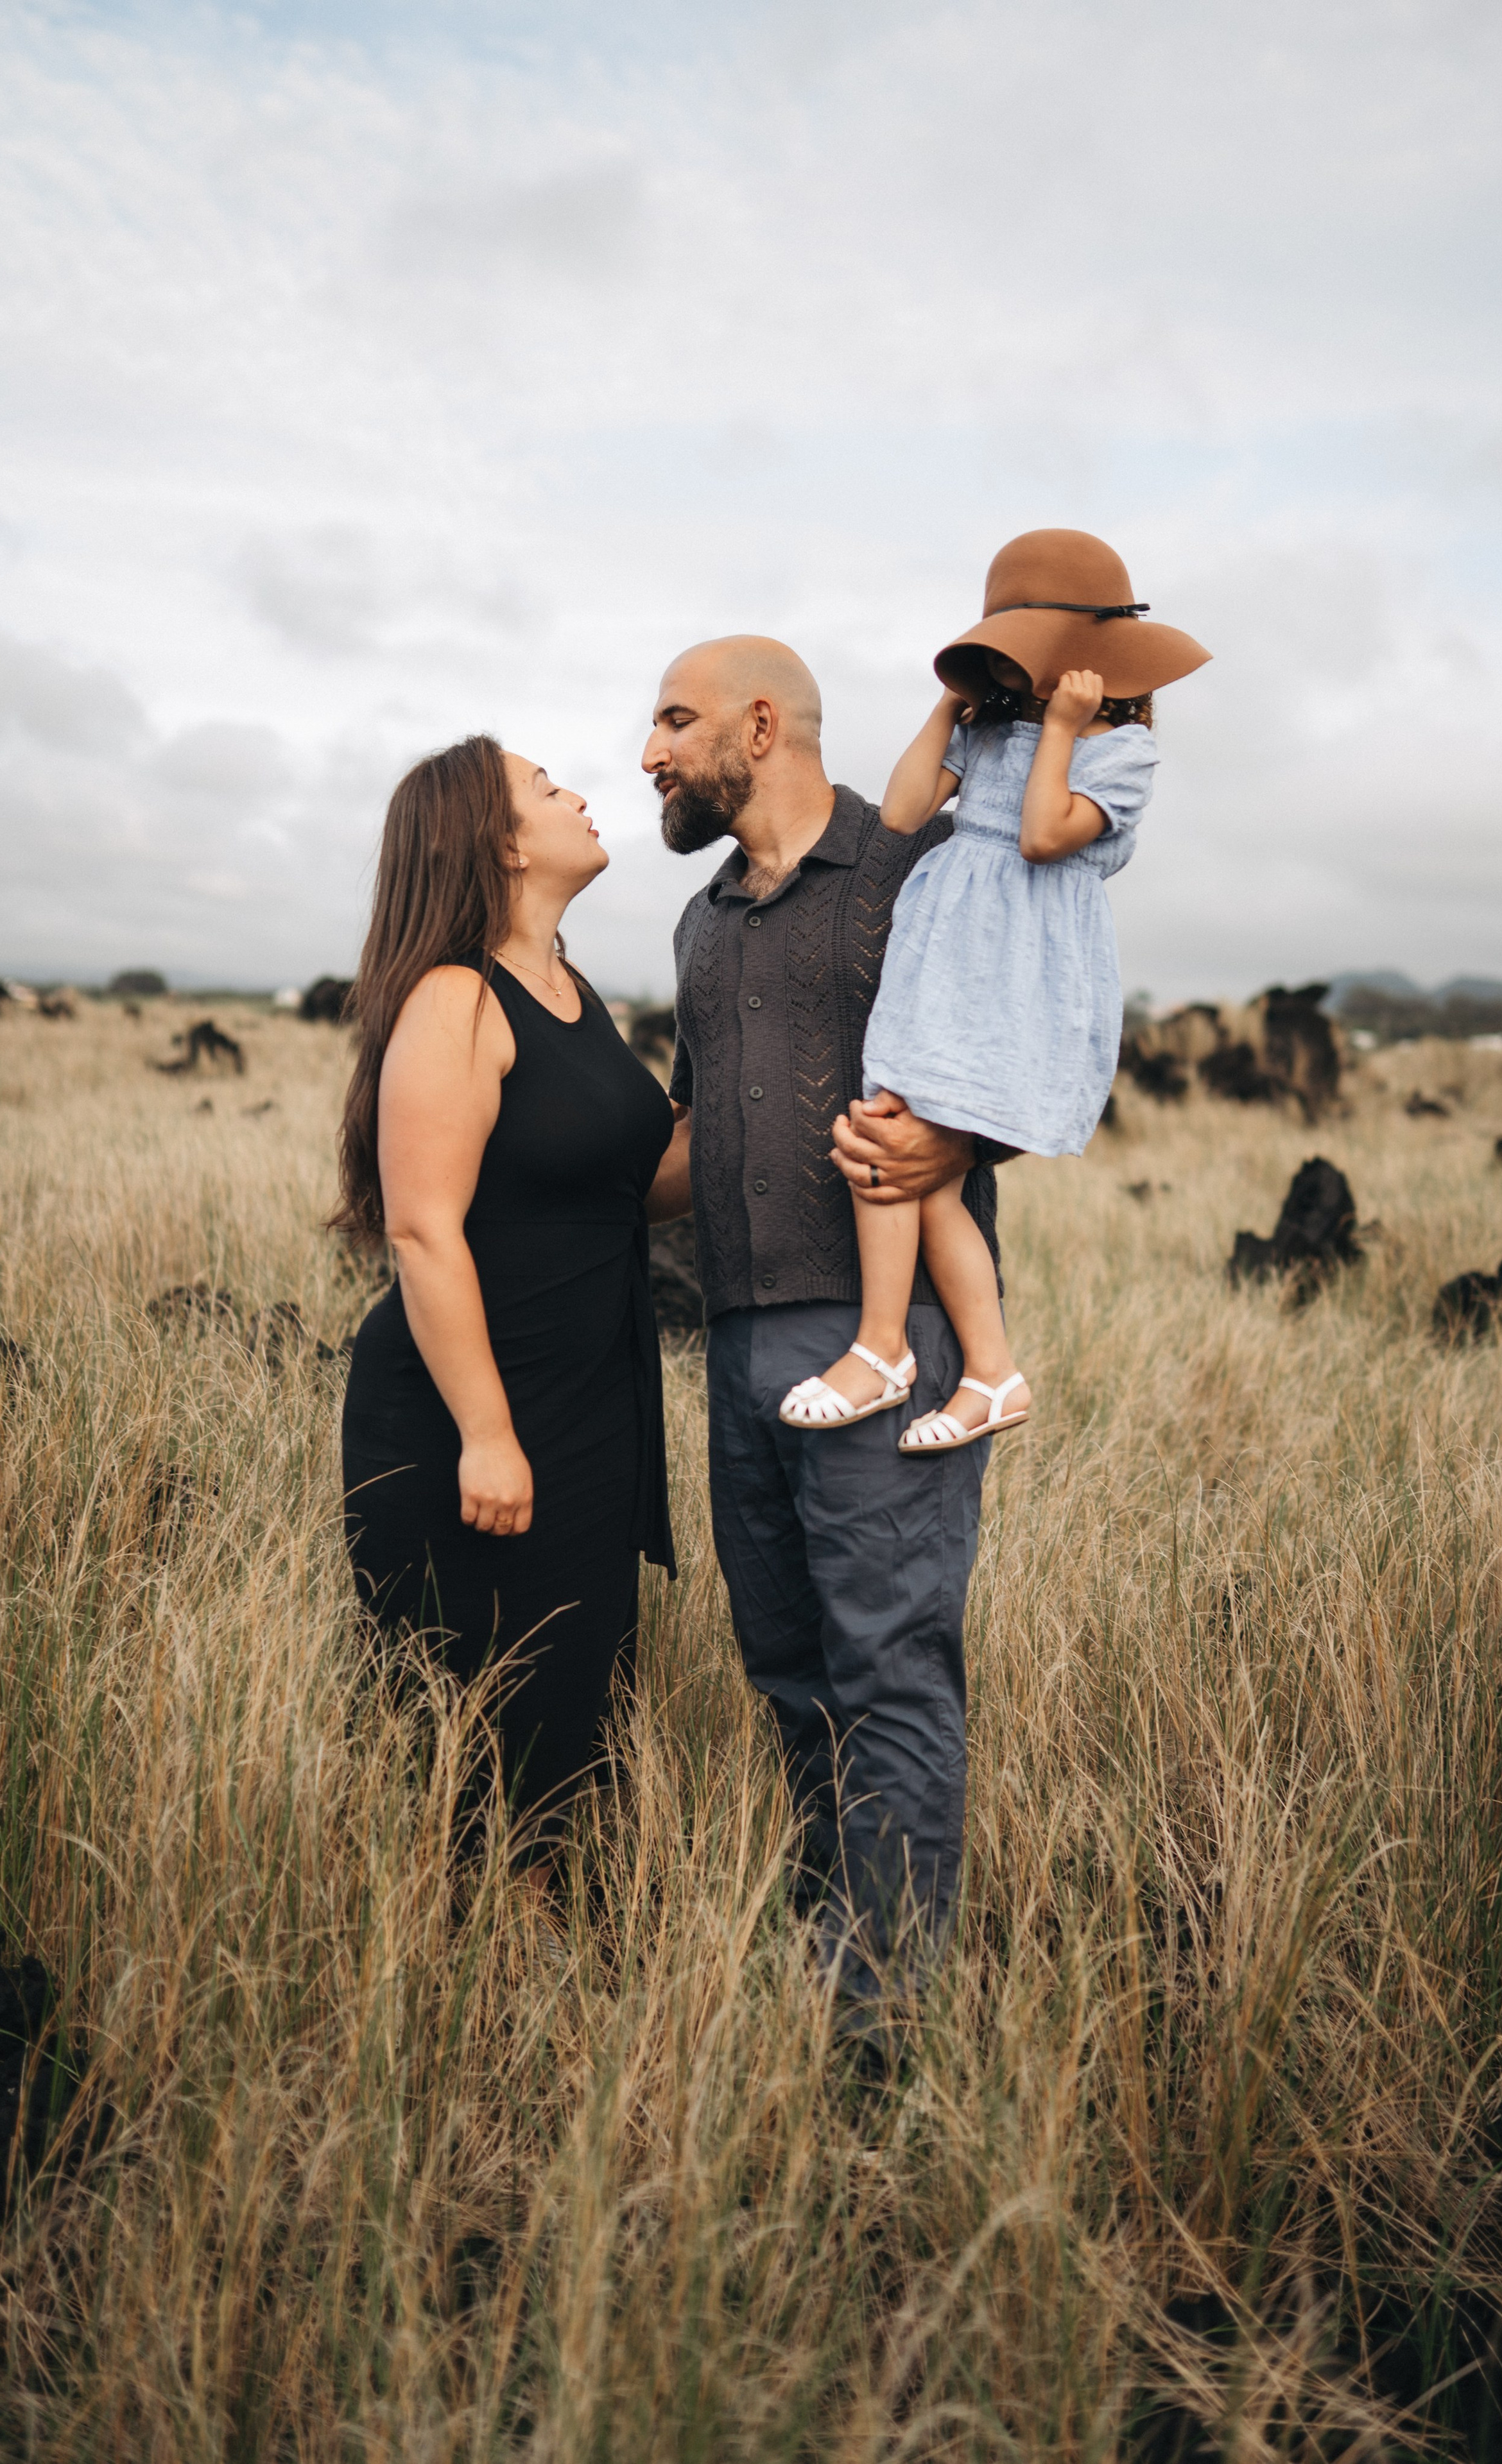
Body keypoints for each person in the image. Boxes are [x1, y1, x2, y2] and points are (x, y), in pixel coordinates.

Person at [643, 636, 1002, 2038]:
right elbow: (688, 1135)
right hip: (734, 1347)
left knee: (887, 1665)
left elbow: (1014, 1049)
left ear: (759, 723)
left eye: (672, 720)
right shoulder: (701, 922)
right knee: (786, 1669)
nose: (651, 752)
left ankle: (888, 2024)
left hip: (885, 1338)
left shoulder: (911, 867)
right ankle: (827, 1949)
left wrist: (954, 1137)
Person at [334, 734, 691, 1859]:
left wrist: (774, 1098)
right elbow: (422, 1227)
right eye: (546, 788)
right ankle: (454, 1981)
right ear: (498, 842)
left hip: (587, 1406)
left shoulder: (570, 993)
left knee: (570, 1720)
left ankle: (533, 1972)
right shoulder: (455, 999)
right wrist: (487, 1435)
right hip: (470, 1416)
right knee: (477, 1734)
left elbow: (627, 1193)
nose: (581, 795)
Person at [779, 529, 1211, 1452]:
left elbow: (1044, 835)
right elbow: (899, 812)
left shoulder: (1123, 757)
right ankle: (979, 1368)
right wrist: (951, 702)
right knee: (897, 1137)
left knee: (898, 1135)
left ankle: (892, 1350)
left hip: (1019, 981)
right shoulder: (984, 730)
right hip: (946, 960)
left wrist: (1057, 732)